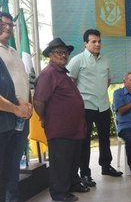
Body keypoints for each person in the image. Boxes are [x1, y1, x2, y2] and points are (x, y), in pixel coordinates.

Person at [34, 38, 88, 202]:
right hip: (59, 128)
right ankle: (59, 193)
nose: (64, 55)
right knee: (61, 163)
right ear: (50, 55)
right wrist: (44, 119)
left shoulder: (62, 73)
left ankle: (72, 183)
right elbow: (38, 101)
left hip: (74, 128)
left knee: (72, 160)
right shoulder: (48, 74)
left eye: (66, 52)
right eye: (59, 52)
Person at [67, 29, 122, 187]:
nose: (97, 44)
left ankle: (106, 166)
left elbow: (108, 80)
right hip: (86, 106)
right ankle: (85, 174)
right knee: (85, 141)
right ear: (85, 43)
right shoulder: (78, 60)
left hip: (103, 106)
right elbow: (70, 83)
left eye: (99, 41)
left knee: (105, 139)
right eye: (93, 41)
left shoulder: (105, 59)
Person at [0, 11, 33, 202]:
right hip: (5, 117)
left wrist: (27, 105)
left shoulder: (13, 52)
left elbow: (24, 81)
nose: (8, 28)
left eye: (11, 25)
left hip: (21, 117)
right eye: (3, 23)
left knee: (14, 166)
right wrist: (14, 107)